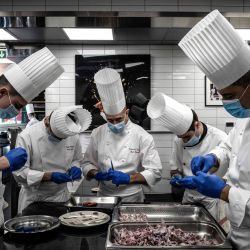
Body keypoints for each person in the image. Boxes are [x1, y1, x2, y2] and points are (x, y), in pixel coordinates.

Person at [178, 9, 250, 250]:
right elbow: (229, 147)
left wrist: (226, 192)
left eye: (230, 96)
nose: (228, 104)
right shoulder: (246, 116)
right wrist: (213, 157)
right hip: (237, 231)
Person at [0, 47, 64, 225]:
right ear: (2, 93)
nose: (17, 111)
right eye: (18, 105)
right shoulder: (29, 135)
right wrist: (3, 163)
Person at [82, 68, 162, 202]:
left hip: (132, 198)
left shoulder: (142, 136)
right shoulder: (98, 133)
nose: (114, 124)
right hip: (104, 196)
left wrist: (129, 178)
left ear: (126, 113)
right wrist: (96, 174)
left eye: (118, 119)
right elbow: (86, 163)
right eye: (110, 120)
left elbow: (155, 172)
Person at [147, 93, 227, 219]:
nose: (183, 141)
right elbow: (175, 167)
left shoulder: (220, 138)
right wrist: (176, 177)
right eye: (181, 137)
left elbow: (229, 176)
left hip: (213, 199)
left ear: (197, 125)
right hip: (188, 197)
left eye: (187, 137)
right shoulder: (178, 140)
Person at [13, 106, 92, 217]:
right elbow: (19, 173)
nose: (62, 141)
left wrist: (75, 167)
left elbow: (76, 159)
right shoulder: (27, 136)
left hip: (61, 198)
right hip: (34, 200)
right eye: (58, 138)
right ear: (47, 123)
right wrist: (49, 176)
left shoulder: (72, 134)